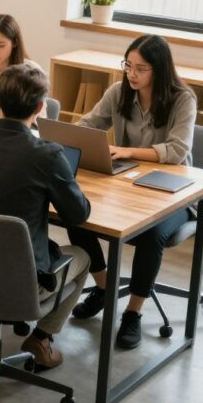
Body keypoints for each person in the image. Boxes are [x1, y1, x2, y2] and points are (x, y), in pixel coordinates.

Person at [0, 65, 91, 369]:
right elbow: (77, 215)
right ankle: (41, 338)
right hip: (21, 282)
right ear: (41, 108)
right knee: (82, 254)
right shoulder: (47, 155)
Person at [67, 34, 197, 349]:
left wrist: (125, 151)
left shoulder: (183, 99)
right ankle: (103, 287)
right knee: (74, 212)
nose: (132, 74)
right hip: (125, 186)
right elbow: (86, 124)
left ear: (160, 70)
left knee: (152, 236)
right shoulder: (119, 92)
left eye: (141, 68)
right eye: (128, 65)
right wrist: (79, 136)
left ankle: (133, 313)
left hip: (174, 194)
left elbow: (177, 151)